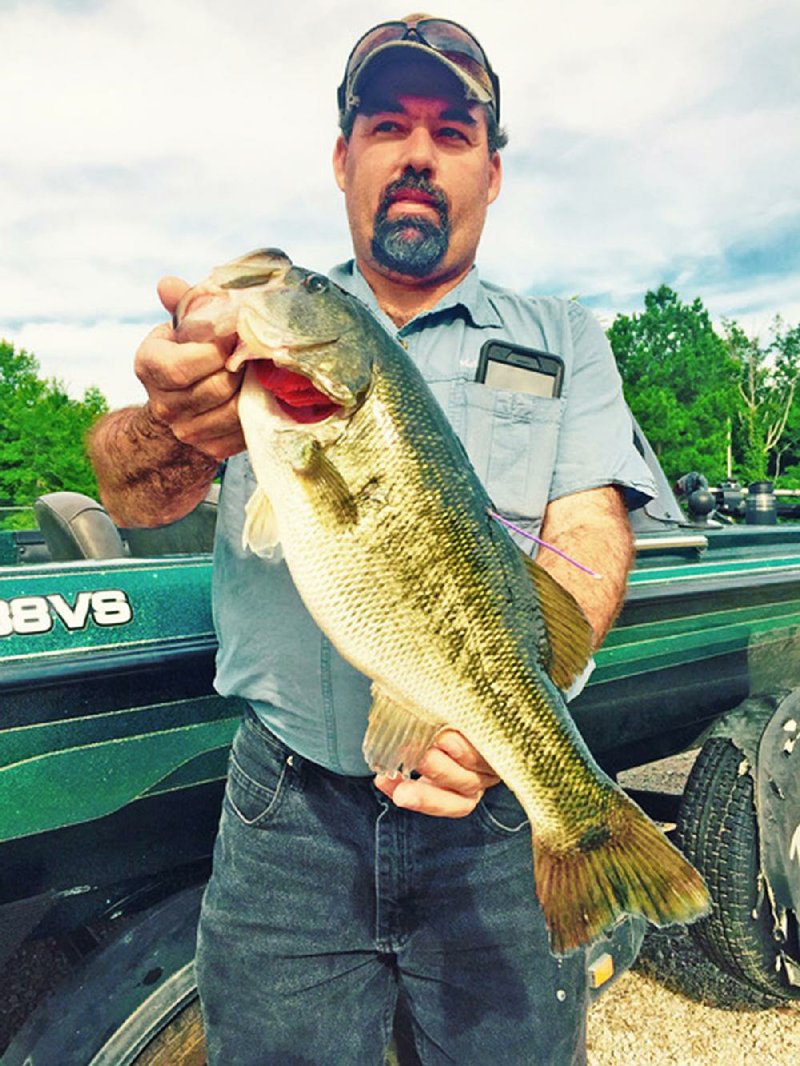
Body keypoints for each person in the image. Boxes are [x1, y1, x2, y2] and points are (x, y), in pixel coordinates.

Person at [90, 14, 656, 1065]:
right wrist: (171, 415)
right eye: (386, 123)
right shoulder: (252, 357)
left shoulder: (564, 337)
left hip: (490, 822)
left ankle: (581, 825)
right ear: (343, 157)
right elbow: (131, 496)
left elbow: (587, 525)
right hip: (284, 817)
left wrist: (503, 735)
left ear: (491, 168)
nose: (416, 155)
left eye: (451, 130)